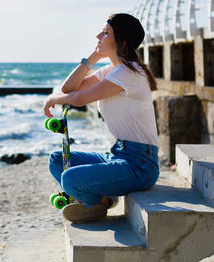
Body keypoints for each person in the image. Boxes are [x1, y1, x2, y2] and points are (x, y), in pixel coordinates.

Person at [43, 13, 159, 224]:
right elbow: (69, 88)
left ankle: (95, 202)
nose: (98, 35)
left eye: (105, 33)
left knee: (69, 178)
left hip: (140, 164)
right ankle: (101, 200)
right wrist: (93, 58)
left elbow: (79, 98)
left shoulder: (130, 73)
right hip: (119, 154)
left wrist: (53, 98)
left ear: (121, 41)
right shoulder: (111, 71)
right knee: (56, 160)